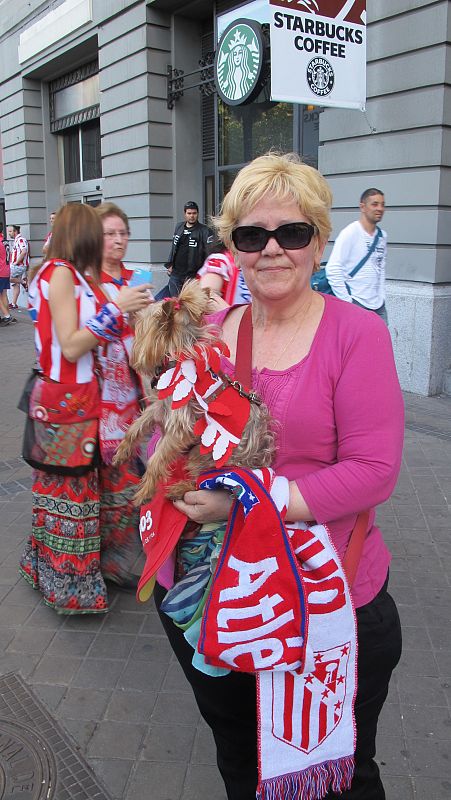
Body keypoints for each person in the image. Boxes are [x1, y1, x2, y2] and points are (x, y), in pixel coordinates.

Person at [153, 153, 404, 800]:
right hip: (210, 595)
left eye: (290, 233)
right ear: (232, 246)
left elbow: (374, 471)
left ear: (319, 241)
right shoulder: (214, 328)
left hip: (320, 601)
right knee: (240, 760)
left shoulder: (356, 336)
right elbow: (175, 427)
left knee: (335, 778)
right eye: (250, 235)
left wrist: (245, 501)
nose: (271, 249)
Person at [19, 204, 152, 613]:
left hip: (76, 402)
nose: (109, 240)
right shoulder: (60, 272)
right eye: (100, 232)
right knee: (69, 496)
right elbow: (72, 343)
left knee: (73, 494)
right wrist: (116, 310)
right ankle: (66, 587)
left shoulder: (69, 273)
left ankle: (71, 577)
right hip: (68, 403)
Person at [93, 201, 153, 586]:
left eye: (123, 233)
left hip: (141, 395)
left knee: (142, 476)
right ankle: (110, 563)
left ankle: (131, 549)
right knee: (118, 483)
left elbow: (152, 334)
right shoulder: (87, 282)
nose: (118, 240)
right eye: (109, 234)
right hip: (103, 401)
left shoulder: (139, 277)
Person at [325, 188, 388, 322]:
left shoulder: (382, 236)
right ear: (363, 207)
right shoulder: (350, 233)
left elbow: (380, 268)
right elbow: (333, 268)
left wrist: (382, 296)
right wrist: (348, 302)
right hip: (357, 301)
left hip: (378, 305)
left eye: (383, 204)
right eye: (375, 204)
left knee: (381, 341)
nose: (380, 208)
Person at [155, 201, 213, 299]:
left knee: (189, 304)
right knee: (174, 303)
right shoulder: (179, 227)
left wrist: (205, 274)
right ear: (185, 214)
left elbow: (209, 254)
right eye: (189, 213)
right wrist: (170, 264)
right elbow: (174, 246)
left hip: (192, 276)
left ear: (198, 213)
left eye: (194, 213)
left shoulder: (205, 231)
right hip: (176, 274)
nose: (192, 216)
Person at [198, 239, 251, 310]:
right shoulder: (221, 260)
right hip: (227, 319)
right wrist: (236, 317)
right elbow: (206, 296)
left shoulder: (252, 264)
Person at [8, 224, 29, 310]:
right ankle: (14, 303)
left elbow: (24, 251)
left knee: (6, 277)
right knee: (15, 285)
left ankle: (23, 282)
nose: (9, 233)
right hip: (18, 265)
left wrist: (15, 263)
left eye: (10, 231)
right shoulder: (17, 240)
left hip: (19, 266)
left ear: (15, 232)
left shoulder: (21, 240)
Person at [0, 223, 17, 326]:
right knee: (4, 295)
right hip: (6, 270)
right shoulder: (5, 241)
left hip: (0, 270)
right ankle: (7, 316)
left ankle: (7, 316)